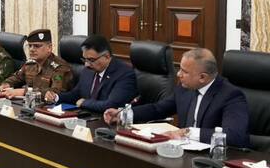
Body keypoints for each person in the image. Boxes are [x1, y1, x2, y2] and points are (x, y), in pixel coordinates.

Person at [104, 48, 250, 146]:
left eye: (184, 71)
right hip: (181, 150)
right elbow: (158, 109)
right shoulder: (185, 88)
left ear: (202, 77)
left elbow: (234, 135)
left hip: (212, 160)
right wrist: (123, 114)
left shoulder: (231, 96)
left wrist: (186, 132)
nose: (179, 74)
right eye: (180, 69)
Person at [49, 34, 137, 112]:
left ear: (106, 56)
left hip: (106, 121)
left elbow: (111, 105)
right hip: (86, 117)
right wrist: (56, 97)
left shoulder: (124, 74)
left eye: (91, 60)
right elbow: (76, 94)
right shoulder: (88, 70)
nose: (86, 64)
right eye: (84, 59)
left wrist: (84, 103)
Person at [0, 29, 74, 98]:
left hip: (49, 106)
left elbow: (55, 92)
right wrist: (6, 84)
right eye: (30, 46)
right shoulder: (30, 64)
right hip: (29, 103)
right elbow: (17, 77)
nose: (31, 49)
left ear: (49, 48)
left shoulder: (60, 67)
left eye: (37, 46)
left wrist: (24, 92)